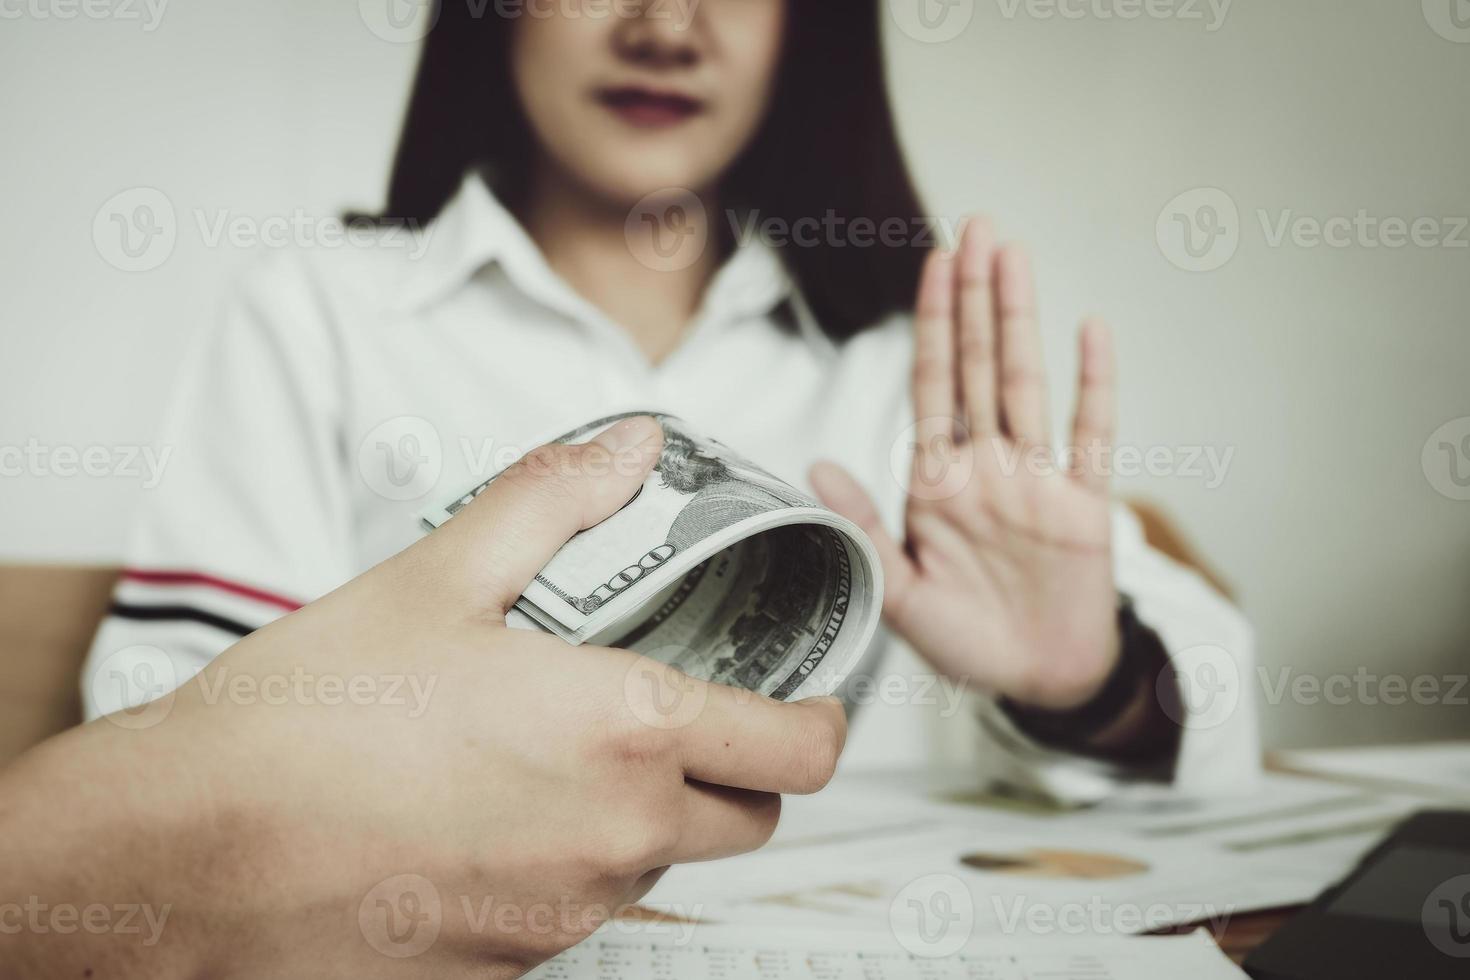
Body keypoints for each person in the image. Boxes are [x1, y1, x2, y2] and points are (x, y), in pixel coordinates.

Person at [82, 0, 1256, 806]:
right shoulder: (316, 314)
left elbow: (1220, 716)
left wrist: (1092, 682)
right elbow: (154, 746)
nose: (665, 23)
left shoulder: (899, 366)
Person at [1, 417, 850, 978]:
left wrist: (990, 678)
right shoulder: (313, 305)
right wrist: (219, 845)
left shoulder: (900, 346)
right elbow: (174, 709)